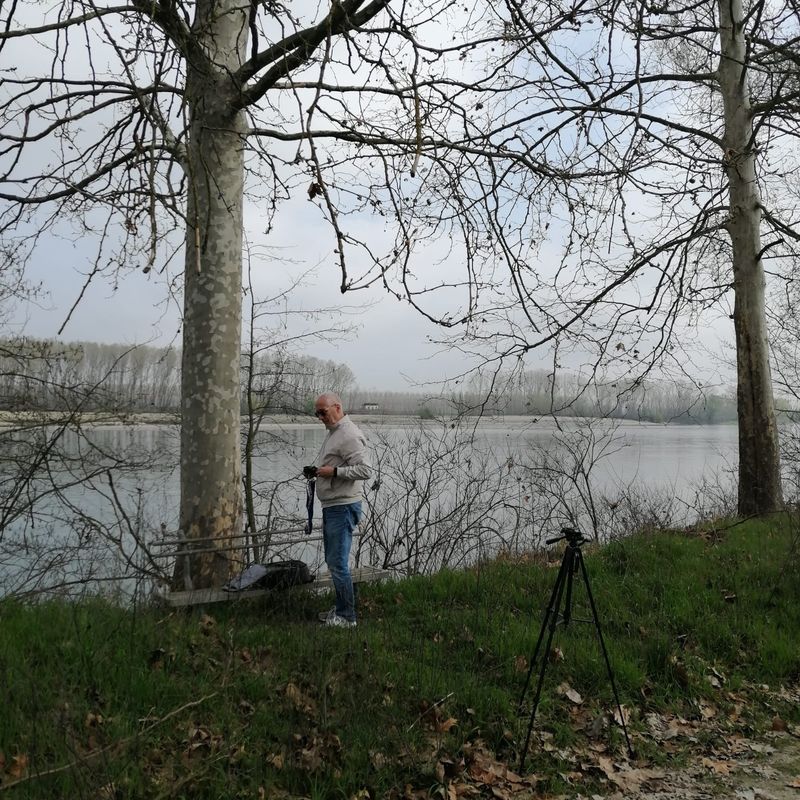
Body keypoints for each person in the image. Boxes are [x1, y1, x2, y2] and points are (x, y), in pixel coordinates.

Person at [311, 392, 371, 628]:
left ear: (337, 407)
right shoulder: (335, 432)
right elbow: (335, 465)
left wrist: (334, 472)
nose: (320, 417)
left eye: (323, 412)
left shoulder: (348, 434)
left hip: (343, 507)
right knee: (334, 562)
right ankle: (341, 609)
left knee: (337, 564)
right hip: (333, 506)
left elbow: (366, 470)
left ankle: (347, 617)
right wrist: (319, 472)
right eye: (317, 413)